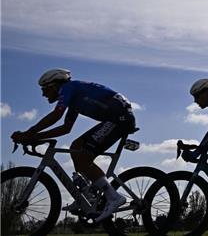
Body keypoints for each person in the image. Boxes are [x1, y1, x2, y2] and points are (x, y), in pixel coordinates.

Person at [10, 68, 136, 221]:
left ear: (54, 85)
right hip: (116, 117)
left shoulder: (68, 88)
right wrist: (35, 136)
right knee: (75, 147)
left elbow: (56, 115)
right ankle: (88, 194)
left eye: (45, 89)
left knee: (83, 156)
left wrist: (29, 133)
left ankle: (114, 197)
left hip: (119, 119)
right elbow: (66, 128)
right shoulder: (75, 97)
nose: (43, 94)